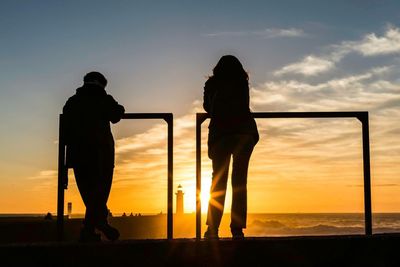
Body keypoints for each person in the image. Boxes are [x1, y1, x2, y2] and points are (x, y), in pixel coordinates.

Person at [63, 72, 125, 242]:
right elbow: (117, 114)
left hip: (78, 154)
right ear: (102, 84)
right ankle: (96, 223)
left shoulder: (72, 102)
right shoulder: (103, 99)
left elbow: (66, 129)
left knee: (89, 192)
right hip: (101, 154)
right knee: (100, 191)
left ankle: (90, 228)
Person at [203, 55, 259, 240]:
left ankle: (212, 228)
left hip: (221, 135)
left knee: (218, 181)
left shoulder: (212, 85)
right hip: (244, 133)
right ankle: (237, 228)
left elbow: (207, 107)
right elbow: (244, 106)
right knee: (240, 182)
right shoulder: (241, 82)